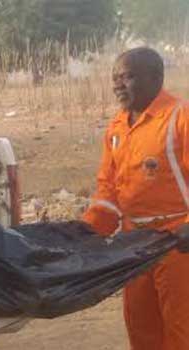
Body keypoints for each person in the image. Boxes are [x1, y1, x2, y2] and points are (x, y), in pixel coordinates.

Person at [83, 47, 189, 350]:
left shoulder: (179, 117)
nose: (118, 84)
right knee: (142, 329)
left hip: (178, 246)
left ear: (156, 78)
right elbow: (109, 191)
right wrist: (88, 231)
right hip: (134, 247)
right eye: (115, 78)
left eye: (128, 76)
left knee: (181, 331)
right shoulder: (117, 128)